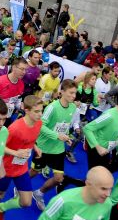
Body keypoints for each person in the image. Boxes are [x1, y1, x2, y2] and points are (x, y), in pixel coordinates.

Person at [30, 80, 80, 210]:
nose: (74, 96)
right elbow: (40, 125)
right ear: (62, 92)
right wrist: (57, 136)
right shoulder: (52, 107)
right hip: (44, 147)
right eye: (71, 93)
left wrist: (67, 137)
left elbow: (64, 126)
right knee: (34, 172)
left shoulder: (73, 107)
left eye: (75, 93)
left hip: (58, 148)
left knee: (58, 178)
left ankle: (39, 193)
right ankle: (20, 185)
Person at [0, 95, 43, 220]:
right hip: (6, 168)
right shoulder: (15, 128)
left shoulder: (39, 124)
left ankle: (1, 209)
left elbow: (29, 140)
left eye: (41, 110)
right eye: (36, 111)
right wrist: (16, 152)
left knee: (26, 202)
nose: (40, 114)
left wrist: (35, 147)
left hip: (21, 168)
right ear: (26, 110)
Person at [38, 166, 113, 220]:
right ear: (88, 184)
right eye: (103, 189)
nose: (108, 194)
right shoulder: (64, 200)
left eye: (110, 189)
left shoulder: (107, 204)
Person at [83, 91, 118, 170]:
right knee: (95, 177)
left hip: (106, 150)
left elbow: (116, 136)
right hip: (96, 149)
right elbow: (87, 128)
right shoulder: (109, 115)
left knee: (102, 176)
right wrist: (98, 147)